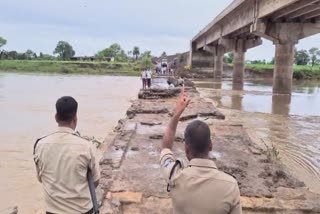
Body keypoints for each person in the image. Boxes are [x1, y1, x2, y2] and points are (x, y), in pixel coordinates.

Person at [159, 86, 242, 214]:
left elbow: (165, 147)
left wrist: (177, 114)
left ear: (186, 149)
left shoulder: (174, 176)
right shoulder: (231, 186)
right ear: (210, 145)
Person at [33, 96, 100, 214]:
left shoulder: (40, 145)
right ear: (75, 119)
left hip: (52, 211)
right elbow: (95, 181)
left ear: (56, 117)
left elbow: (40, 178)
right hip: (82, 211)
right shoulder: (86, 146)